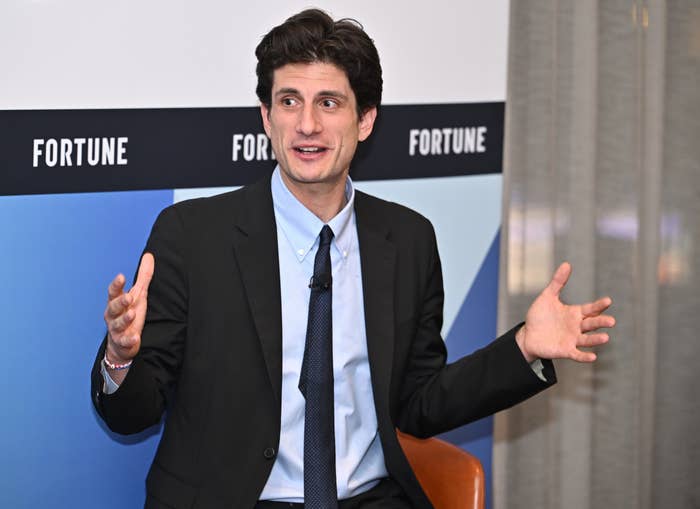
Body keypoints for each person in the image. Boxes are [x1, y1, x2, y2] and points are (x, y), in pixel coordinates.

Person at [91, 9, 615, 509]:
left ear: (365, 120)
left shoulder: (408, 240)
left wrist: (522, 349)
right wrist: (120, 357)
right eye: (289, 101)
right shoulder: (192, 236)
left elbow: (419, 403)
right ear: (266, 118)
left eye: (329, 103)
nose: (307, 125)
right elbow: (132, 414)